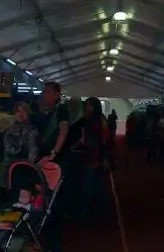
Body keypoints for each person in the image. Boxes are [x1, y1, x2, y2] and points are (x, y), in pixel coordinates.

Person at [33, 82, 70, 252]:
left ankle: (54, 244)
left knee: (53, 203)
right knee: (42, 199)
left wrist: (54, 153)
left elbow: (63, 131)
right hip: (42, 161)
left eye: (48, 92)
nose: (44, 95)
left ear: (57, 95)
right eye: (43, 91)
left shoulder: (61, 111)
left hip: (55, 163)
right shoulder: (43, 112)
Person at [78, 97, 111, 222]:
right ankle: (102, 212)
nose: (86, 108)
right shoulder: (93, 120)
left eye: (89, 105)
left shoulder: (97, 121)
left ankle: (84, 213)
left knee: (89, 186)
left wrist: (104, 157)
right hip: (93, 156)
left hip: (94, 157)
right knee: (98, 185)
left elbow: (104, 141)